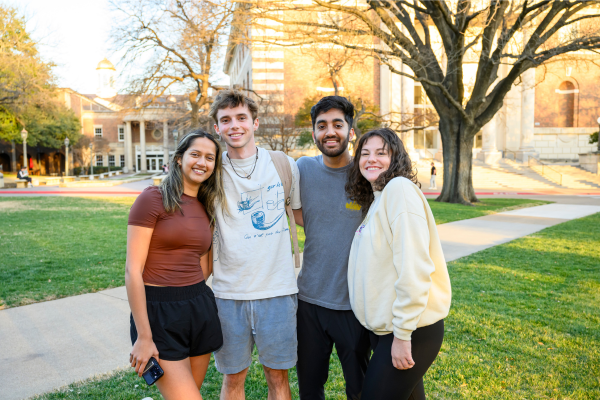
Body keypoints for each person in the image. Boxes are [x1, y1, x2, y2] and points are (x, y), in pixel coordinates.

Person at [346, 128, 451, 399]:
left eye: (382, 153)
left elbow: (414, 266)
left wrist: (403, 335)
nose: (371, 159)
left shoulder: (399, 190)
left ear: (396, 158)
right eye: (364, 153)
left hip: (410, 330)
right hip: (388, 329)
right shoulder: (377, 200)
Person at [209, 89, 301, 400]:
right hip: (227, 293)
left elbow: (304, 217)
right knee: (232, 381)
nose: (234, 125)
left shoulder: (283, 165)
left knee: (278, 381)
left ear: (255, 122)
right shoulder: (211, 171)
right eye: (225, 120)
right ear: (216, 128)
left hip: (277, 290)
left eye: (241, 118)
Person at [126, 129, 225, 400]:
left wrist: (190, 293)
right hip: (158, 313)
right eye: (195, 154)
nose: (202, 162)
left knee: (189, 392)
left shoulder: (207, 206)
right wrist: (144, 336)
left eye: (209, 157)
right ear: (179, 158)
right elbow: (133, 270)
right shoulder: (152, 199)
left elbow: (205, 263)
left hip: (199, 307)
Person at [294, 96, 370, 400]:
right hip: (309, 302)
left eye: (338, 124)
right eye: (322, 125)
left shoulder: (366, 173)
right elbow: (296, 213)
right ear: (313, 133)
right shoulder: (302, 169)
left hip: (354, 303)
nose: (330, 132)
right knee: (310, 387)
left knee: (360, 388)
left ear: (351, 130)